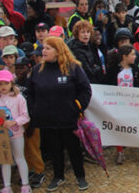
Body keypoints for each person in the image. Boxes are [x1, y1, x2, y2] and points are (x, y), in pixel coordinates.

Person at [26, 37, 92, 191]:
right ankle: (58, 176)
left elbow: (85, 90)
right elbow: (30, 93)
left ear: (58, 50)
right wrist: (34, 111)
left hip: (68, 118)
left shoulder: (73, 68)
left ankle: (80, 176)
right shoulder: (37, 71)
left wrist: (77, 107)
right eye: (43, 48)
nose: (44, 51)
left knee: (73, 148)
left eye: (48, 48)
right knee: (54, 149)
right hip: (47, 119)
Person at [0, 70, 31, 193]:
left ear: (11, 83)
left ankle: (25, 184)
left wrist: (14, 122)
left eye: (5, 83)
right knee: (5, 160)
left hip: (16, 134)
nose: (3, 87)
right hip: (0, 136)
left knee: (19, 158)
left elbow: (25, 116)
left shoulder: (18, 98)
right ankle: (6, 186)